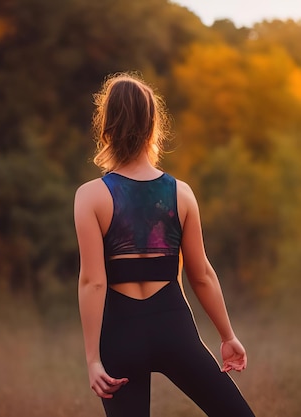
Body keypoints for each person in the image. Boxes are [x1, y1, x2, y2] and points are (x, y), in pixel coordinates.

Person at [73, 73, 256, 417]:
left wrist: (93, 359)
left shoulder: (89, 197)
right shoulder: (181, 193)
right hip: (173, 327)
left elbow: (93, 282)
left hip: (120, 334)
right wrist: (227, 335)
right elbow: (201, 275)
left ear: (107, 127)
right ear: (153, 125)